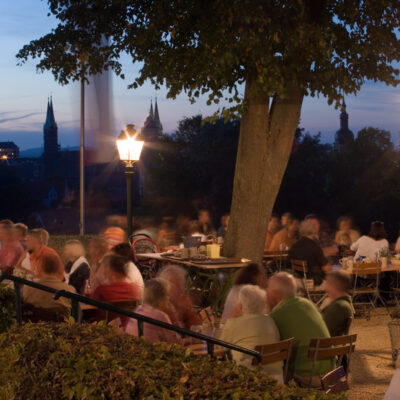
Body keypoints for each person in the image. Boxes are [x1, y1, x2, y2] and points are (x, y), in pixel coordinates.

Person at [267, 272, 335, 387]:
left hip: (309, 375)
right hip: (332, 372)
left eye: (267, 290)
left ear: (275, 294)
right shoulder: (308, 304)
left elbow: (274, 347)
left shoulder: (277, 314)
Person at [219, 285, 283, 383]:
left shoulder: (233, 323)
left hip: (249, 380)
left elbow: (220, 348)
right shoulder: (270, 320)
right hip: (277, 378)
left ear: (241, 304)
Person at [125, 278, 183, 345]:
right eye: (167, 295)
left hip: (134, 349)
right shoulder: (160, 316)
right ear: (161, 298)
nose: (168, 299)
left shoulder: (138, 309)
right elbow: (177, 343)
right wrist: (174, 315)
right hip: (148, 353)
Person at [158, 265, 202, 329]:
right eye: (178, 285)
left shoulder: (184, 299)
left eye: (183, 284)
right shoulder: (160, 305)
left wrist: (190, 313)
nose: (182, 288)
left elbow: (197, 326)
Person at [289, 220, 331, 286]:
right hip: (315, 282)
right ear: (313, 230)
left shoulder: (294, 247)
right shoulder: (314, 247)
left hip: (298, 281)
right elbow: (327, 269)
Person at [321, 271, 354, 337]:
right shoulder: (345, 304)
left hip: (320, 345)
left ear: (335, 285)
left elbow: (319, 329)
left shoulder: (338, 307)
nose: (325, 288)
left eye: (327, 284)